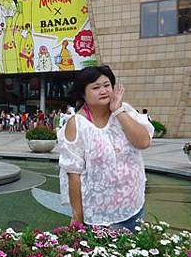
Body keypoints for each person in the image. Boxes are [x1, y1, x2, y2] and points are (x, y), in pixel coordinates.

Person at [58, 65, 154, 230]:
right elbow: (73, 175)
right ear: (83, 93)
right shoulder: (77, 124)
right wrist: (78, 219)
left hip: (133, 206)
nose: (103, 91)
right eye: (96, 87)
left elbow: (144, 142)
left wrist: (118, 111)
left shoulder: (124, 111)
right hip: (98, 216)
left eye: (107, 85)